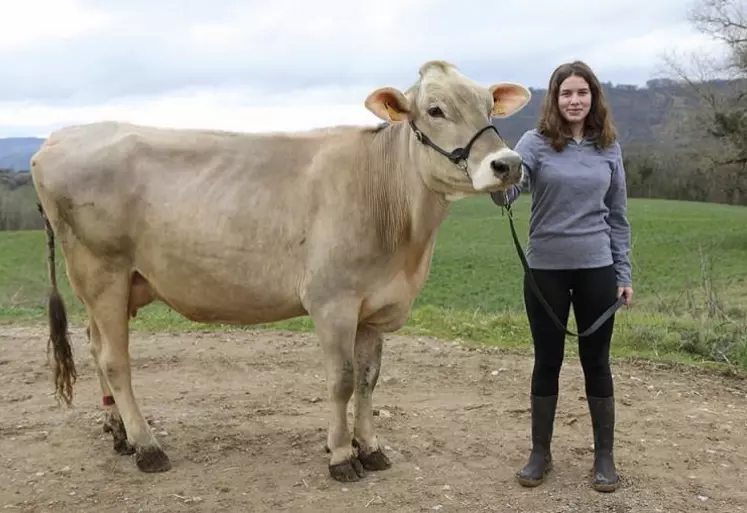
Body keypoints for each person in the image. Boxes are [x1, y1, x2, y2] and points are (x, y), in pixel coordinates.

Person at [491, 60, 633, 492]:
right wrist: (497, 175)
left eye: (581, 93)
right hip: (545, 270)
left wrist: (623, 273)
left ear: (593, 98)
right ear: (554, 99)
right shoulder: (533, 143)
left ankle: (604, 458)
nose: (574, 100)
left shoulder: (608, 146)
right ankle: (540, 454)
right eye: (566, 93)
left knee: (597, 362)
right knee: (547, 361)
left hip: (596, 268)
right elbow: (507, 196)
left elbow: (618, 217)